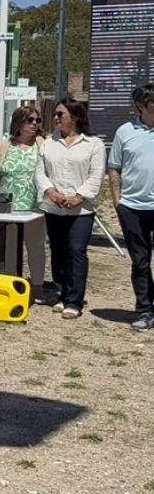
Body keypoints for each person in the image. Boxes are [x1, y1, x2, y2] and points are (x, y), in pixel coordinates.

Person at [36, 98, 106, 320]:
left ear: (74, 117)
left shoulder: (93, 144)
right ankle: (61, 293)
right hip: (54, 207)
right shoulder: (48, 143)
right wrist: (51, 192)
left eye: (60, 114)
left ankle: (74, 300)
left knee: (76, 251)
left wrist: (79, 196)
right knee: (58, 251)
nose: (56, 118)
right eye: (55, 114)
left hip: (81, 210)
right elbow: (40, 173)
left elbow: (96, 176)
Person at [0, 105, 47, 299]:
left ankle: (37, 285)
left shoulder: (43, 145)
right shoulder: (2, 147)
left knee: (36, 245)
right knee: (10, 246)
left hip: (35, 207)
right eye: (29, 120)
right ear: (18, 122)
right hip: (9, 207)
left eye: (37, 121)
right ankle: (10, 284)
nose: (34, 124)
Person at [109, 84, 154, 332]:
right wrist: (117, 201)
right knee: (141, 261)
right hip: (133, 207)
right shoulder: (125, 132)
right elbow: (114, 166)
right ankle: (145, 310)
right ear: (141, 106)